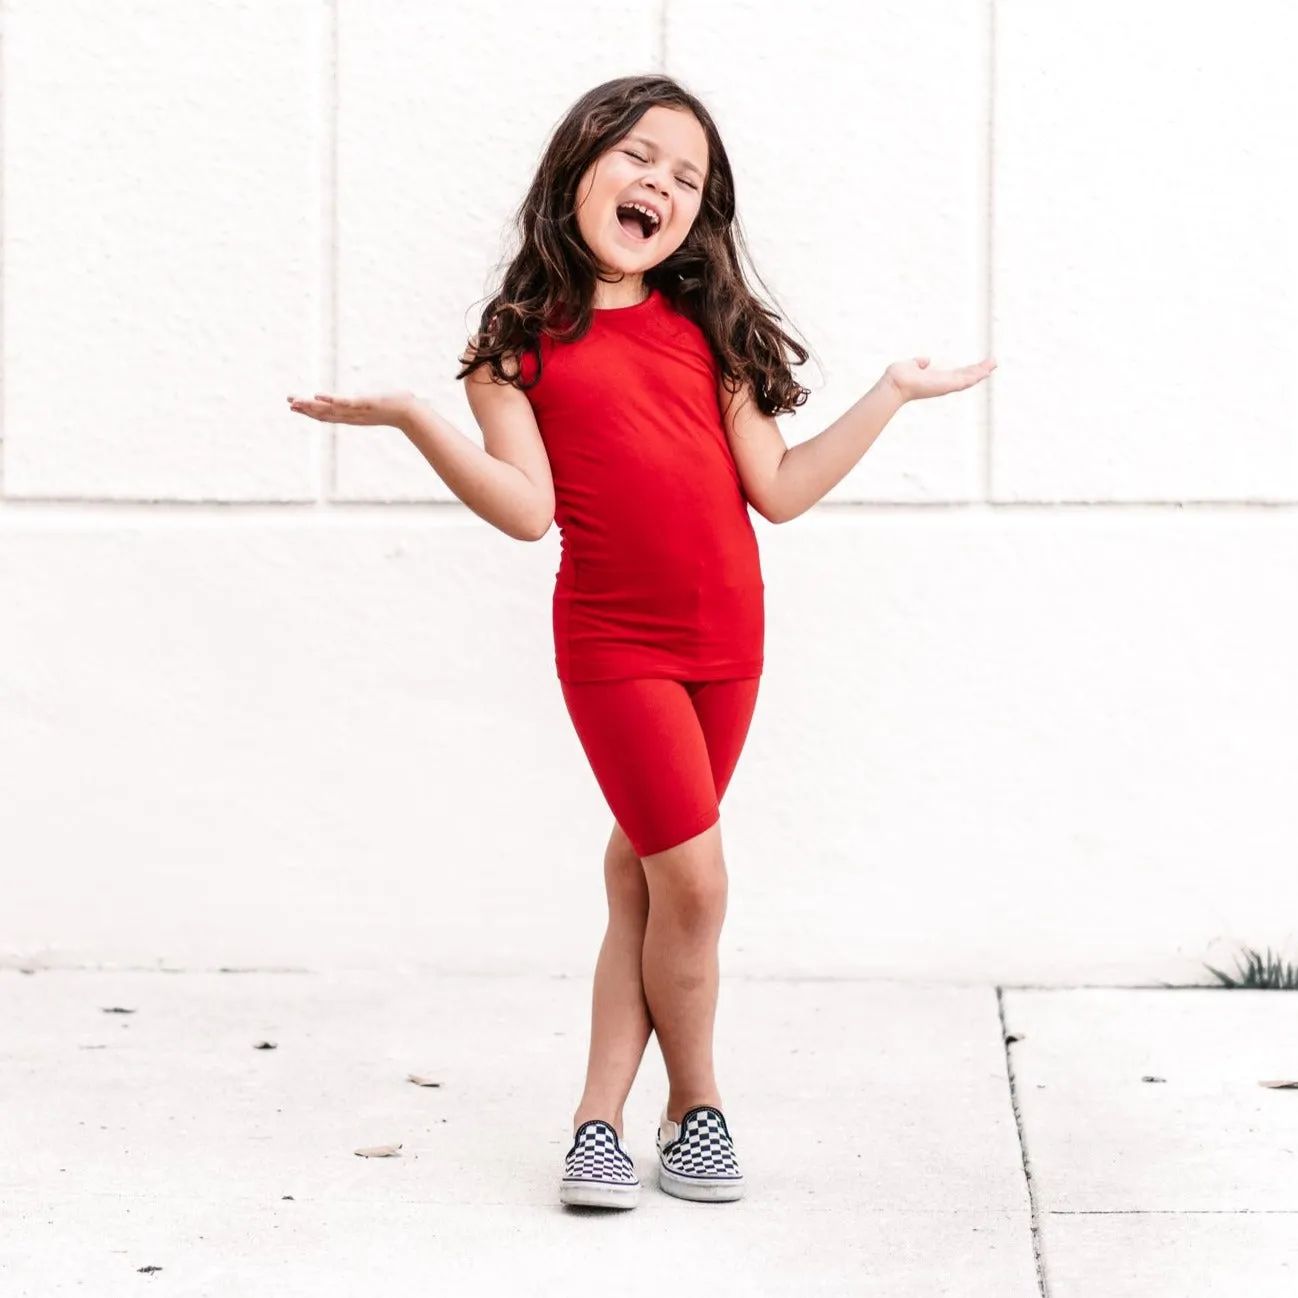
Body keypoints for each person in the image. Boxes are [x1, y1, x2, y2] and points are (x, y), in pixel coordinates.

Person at [287, 73, 995, 1212]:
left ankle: (595, 1125)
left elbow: (779, 488)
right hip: (615, 647)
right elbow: (526, 509)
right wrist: (417, 419)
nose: (661, 183)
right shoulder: (513, 351)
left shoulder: (707, 334)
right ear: (578, 165)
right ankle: (697, 1104)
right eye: (641, 157)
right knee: (698, 887)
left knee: (642, 878)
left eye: (688, 176)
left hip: (730, 642)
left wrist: (889, 394)